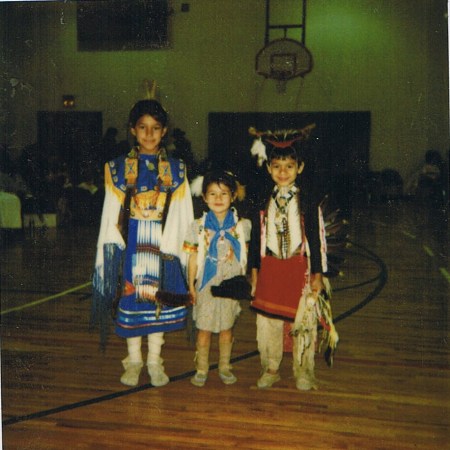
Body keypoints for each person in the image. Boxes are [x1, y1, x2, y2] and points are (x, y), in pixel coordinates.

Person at [92, 99, 194, 387]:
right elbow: (110, 213)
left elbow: (183, 214)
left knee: (158, 303)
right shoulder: (117, 168)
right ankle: (135, 360)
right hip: (131, 247)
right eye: (143, 128)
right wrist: (113, 251)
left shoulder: (176, 169)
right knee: (133, 302)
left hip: (164, 248)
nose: (149, 134)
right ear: (133, 130)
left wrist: (176, 252)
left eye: (155, 128)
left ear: (164, 132)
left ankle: (154, 361)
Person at [248, 126, 328, 391]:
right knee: (269, 321)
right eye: (277, 166)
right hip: (270, 266)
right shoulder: (263, 200)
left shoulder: (306, 201)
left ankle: (303, 370)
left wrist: (318, 274)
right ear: (269, 168)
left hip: (298, 267)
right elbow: (257, 240)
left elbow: (316, 240)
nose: (283, 172)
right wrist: (255, 271)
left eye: (289, 166)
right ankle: (271, 367)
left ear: (300, 168)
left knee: (302, 321)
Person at [183, 171, 251, 387]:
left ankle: (224, 366)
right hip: (206, 283)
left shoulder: (242, 226)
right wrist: (191, 285)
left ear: (233, 196)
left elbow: (246, 257)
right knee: (204, 327)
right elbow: (193, 259)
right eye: (212, 194)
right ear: (204, 197)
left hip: (230, 283)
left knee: (226, 327)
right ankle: (202, 368)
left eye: (223, 193)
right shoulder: (198, 227)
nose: (218, 198)